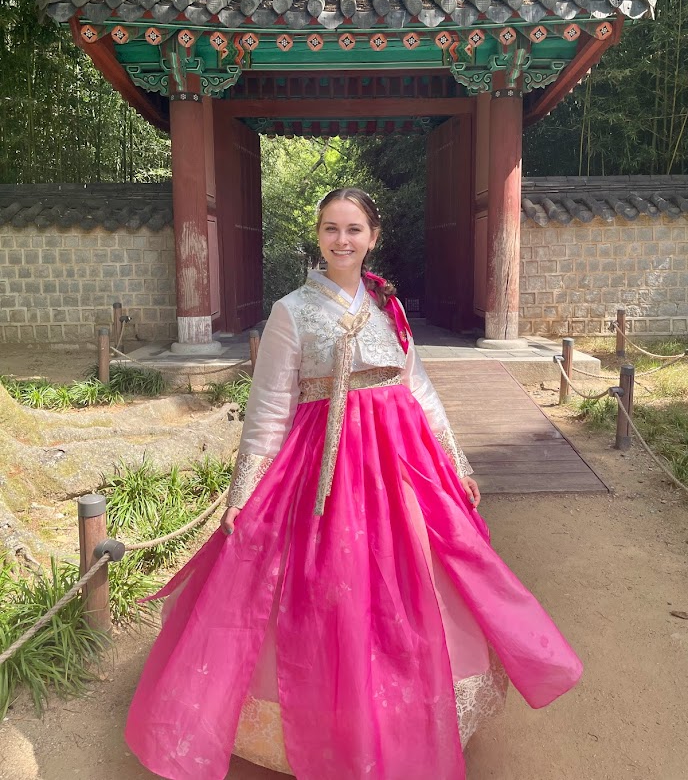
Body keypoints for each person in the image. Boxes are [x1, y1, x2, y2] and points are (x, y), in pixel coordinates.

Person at [126, 187, 582, 780]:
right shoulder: (291, 311)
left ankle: (408, 709)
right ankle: (331, 716)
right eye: (330, 229)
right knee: (332, 585)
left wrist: (456, 460)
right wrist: (243, 493)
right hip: (325, 466)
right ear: (317, 236)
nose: (342, 240)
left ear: (373, 237)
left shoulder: (390, 307)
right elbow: (268, 411)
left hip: (403, 463)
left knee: (414, 577)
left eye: (353, 229)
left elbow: (419, 388)